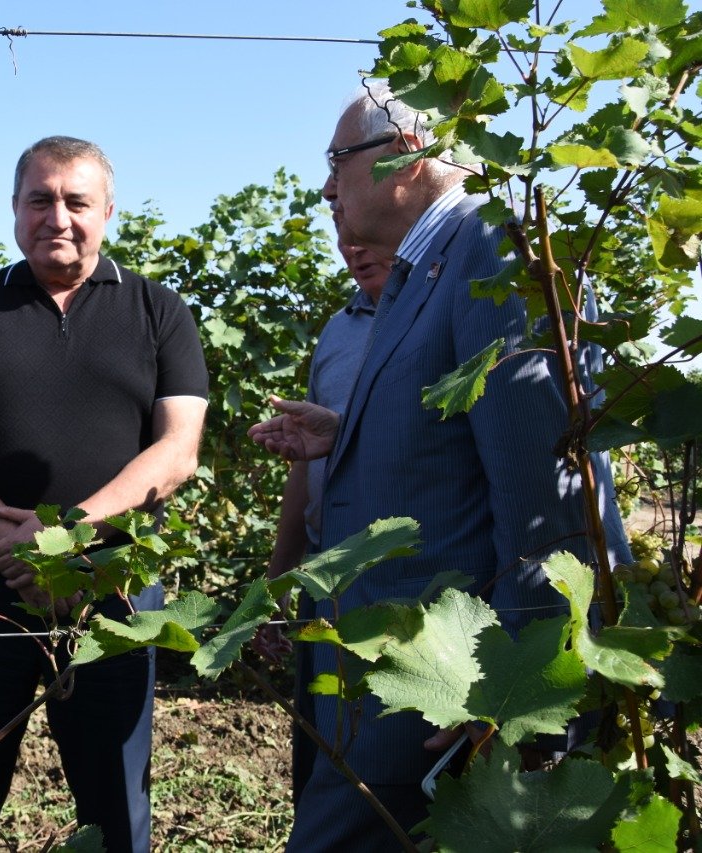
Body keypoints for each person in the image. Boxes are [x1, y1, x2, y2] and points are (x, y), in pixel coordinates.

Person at [248, 83, 629, 851]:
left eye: (337, 160)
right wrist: (350, 430)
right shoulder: (429, 267)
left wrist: (520, 706)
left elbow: (547, 513)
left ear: (408, 154)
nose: (327, 184)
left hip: (446, 712)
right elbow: (454, 445)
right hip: (400, 699)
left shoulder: (495, 249)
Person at [0, 135, 208, 853]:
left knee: (114, 796)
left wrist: (63, 541)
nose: (58, 216)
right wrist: (5, 542)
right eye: (39, 199)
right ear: (15, 209)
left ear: (107, 211)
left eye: (77, 200)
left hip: (114, 592)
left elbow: (176, 451)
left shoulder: (159, 311)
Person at [251, 227, 393, 804]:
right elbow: (308, 473)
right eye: (342, 233)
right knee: (323, 774)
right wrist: (278, 584)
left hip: (406, 593)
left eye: (366, 233)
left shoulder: (448, 318)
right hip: (326, 581)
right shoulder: (339, 330)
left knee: (386, 786)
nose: (352, 247)